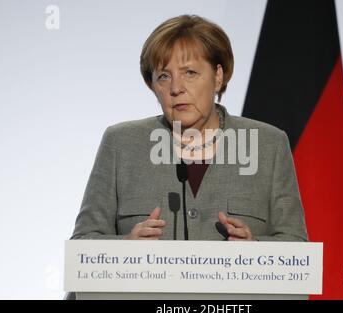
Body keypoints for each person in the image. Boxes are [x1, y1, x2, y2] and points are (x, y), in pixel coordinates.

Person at [70, 14, 307, 243]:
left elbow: (296, 247)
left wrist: (255, 250)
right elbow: (82, 246)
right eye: (163, 76)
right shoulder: (121, 144)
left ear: (218, 76)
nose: (176, 88)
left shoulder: (268, 144)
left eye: (190, 73)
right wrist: (125, 249)